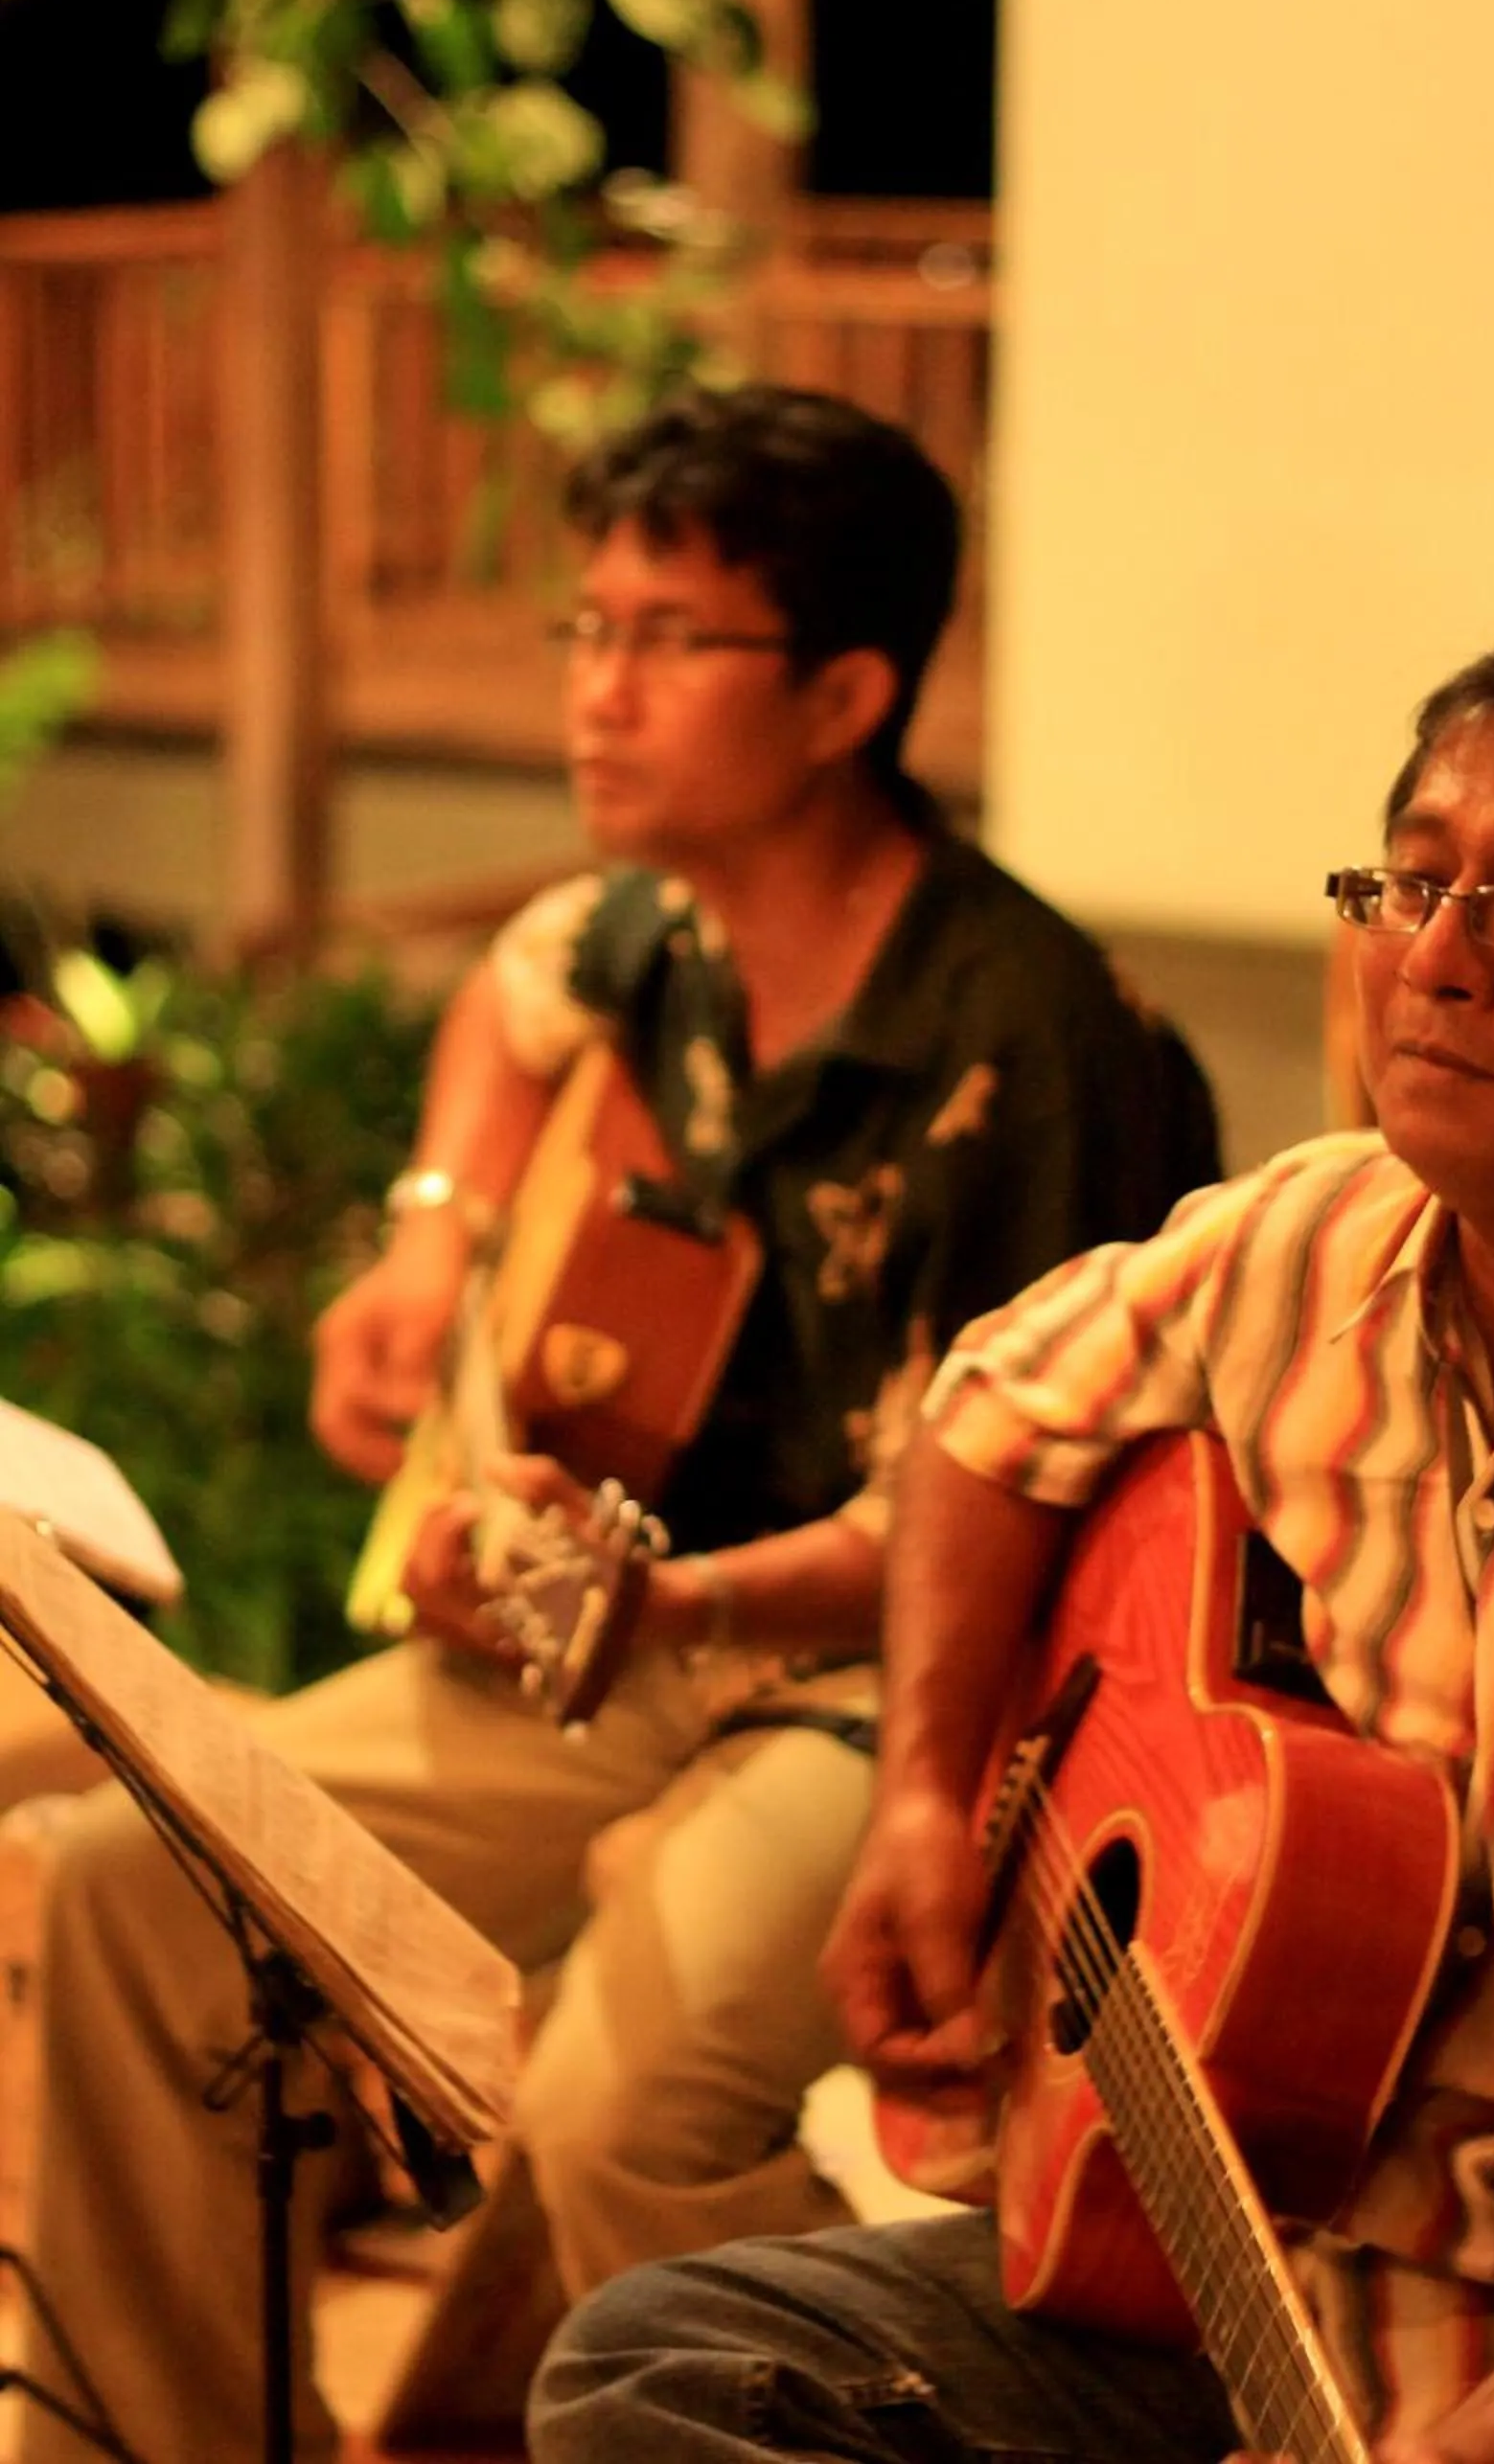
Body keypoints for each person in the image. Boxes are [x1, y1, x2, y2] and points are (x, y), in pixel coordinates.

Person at [529, 582, 1494, 2464]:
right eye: (1410, 882)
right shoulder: (1314, 1236)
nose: (1434, 957)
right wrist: (930, 1799)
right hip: (1237, 2257)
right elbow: (986, 1426)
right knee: (663, 2366)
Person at [17, 383, 1221, 2464]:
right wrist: (428, 1244)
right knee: (135, 1884)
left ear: (845, 693)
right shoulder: (655, 930)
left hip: (902, 1691)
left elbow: (985, 1501)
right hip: (630, 1633)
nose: (596, 689)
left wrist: (665, 1606)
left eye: (667, 639)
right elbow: (507, 991)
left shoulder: (1030, 1039)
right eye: (586, 628)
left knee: (619, 2100)